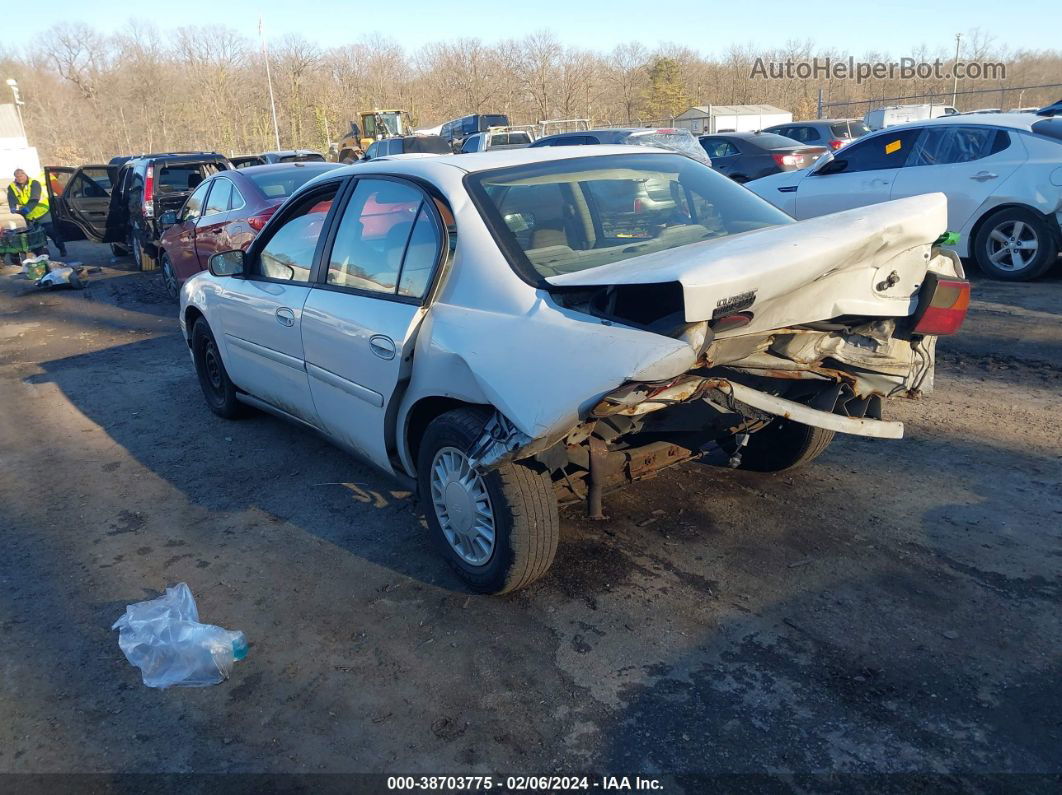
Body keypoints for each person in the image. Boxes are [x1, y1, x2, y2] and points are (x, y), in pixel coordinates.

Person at [6, 168, 67, 257]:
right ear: (15, 177)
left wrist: (26, 209)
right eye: (17, 176)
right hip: (29, 216)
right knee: (35, 237)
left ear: (25, 174)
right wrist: (12, 207)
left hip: (43, 213)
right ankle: (42, 255)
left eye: (21, 176)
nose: (20, 178)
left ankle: (61, 248)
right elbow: (11, 198)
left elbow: (34, 198)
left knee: (52, 233)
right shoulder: (12, 187)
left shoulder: (34, 183)